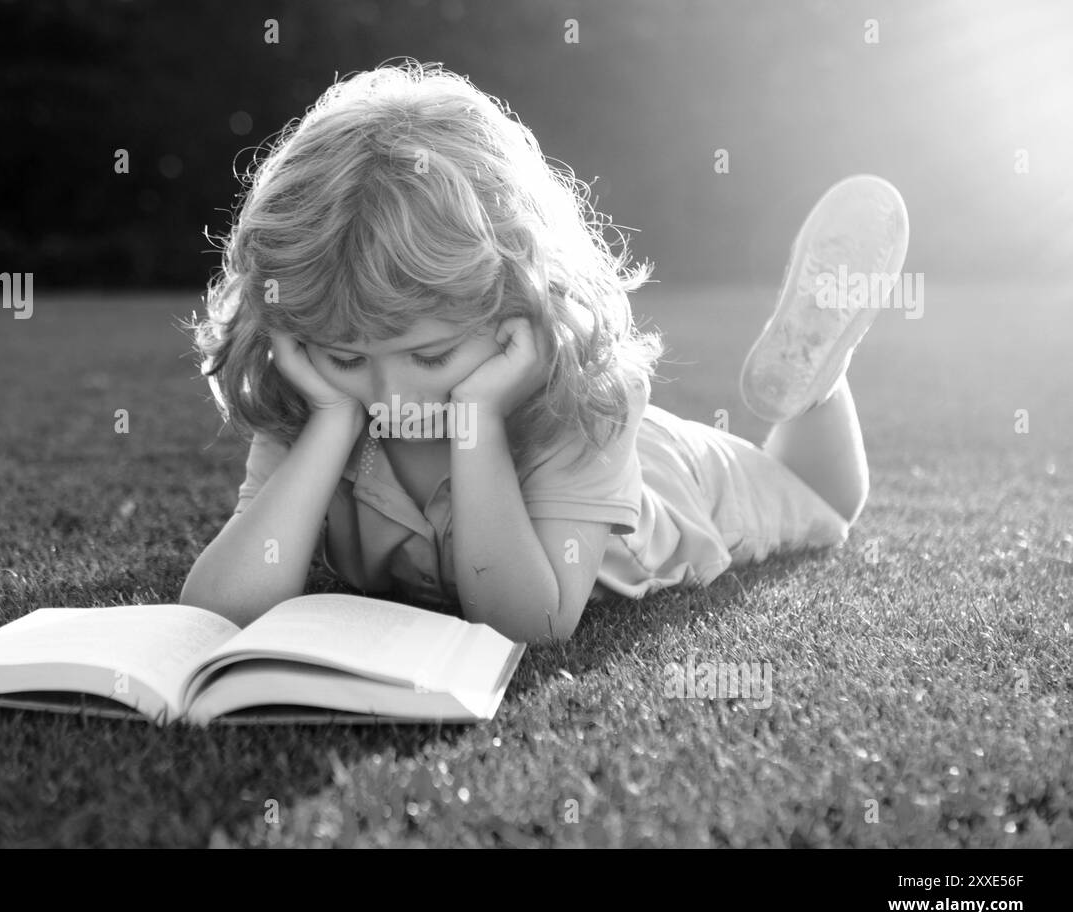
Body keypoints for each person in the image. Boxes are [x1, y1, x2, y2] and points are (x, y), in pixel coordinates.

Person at [177, 60, 910, 645]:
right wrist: (331, 423)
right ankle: (814, 377)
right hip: (580, 436)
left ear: (518, 306)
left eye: (428, 357)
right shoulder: (313, 399)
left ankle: (818, 378)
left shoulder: (588, 405)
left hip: (677, 480)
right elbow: (216, 611)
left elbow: (531, 622)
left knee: (823, 501)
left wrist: (477, 423)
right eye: (346, 358)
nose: (388, 397)